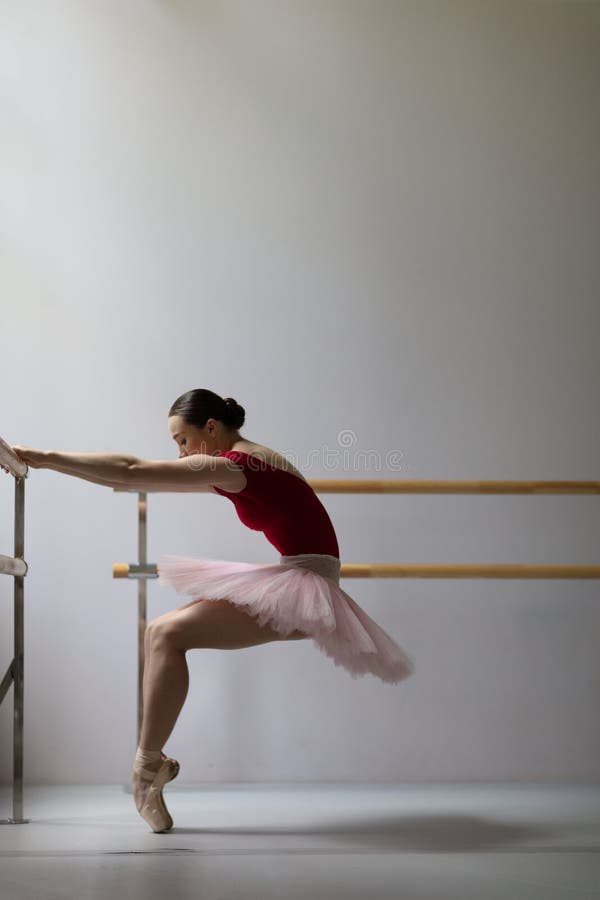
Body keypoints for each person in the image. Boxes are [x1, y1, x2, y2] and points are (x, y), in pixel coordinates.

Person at [5, 388, 414, 833]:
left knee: (165, 635)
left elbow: (130, 472)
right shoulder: (251, 459)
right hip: (299, 575)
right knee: (161, 634)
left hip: (306, 584)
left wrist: (40, 456)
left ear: (212, 429)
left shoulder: (238, 465)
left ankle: (145, 771)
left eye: (182, 440)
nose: (180, 454)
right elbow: (135, 474)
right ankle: (150, 766)